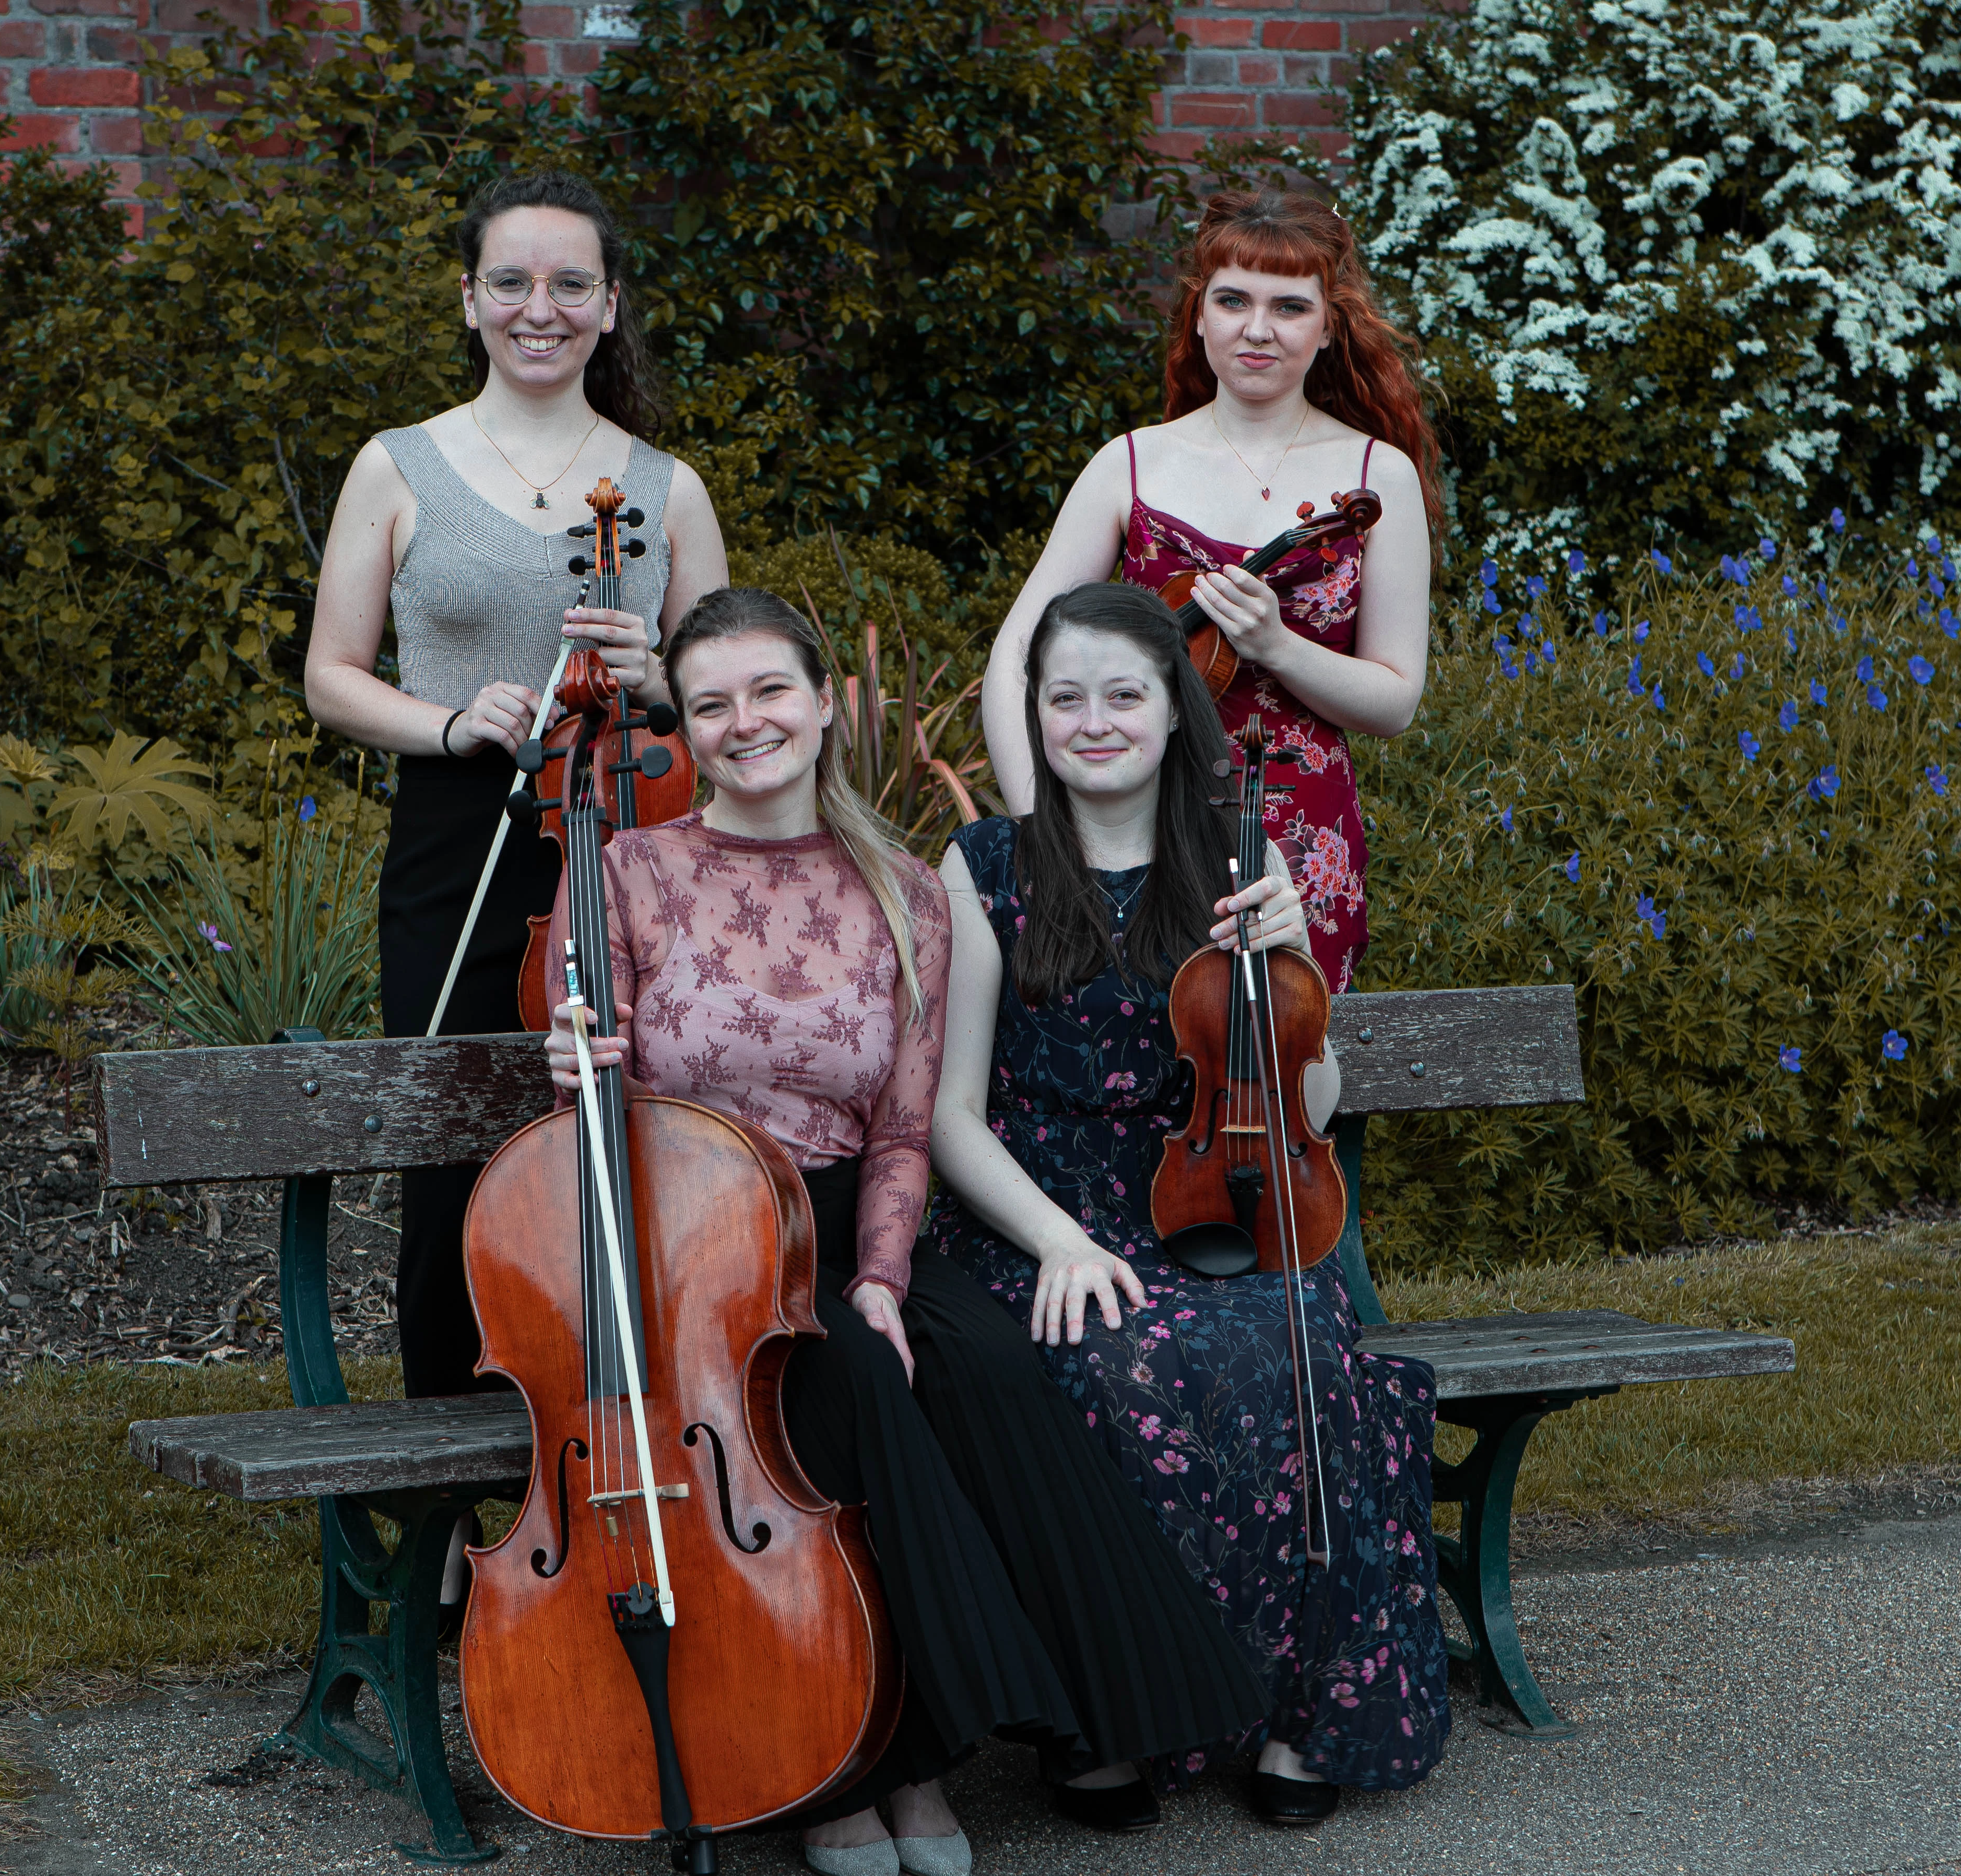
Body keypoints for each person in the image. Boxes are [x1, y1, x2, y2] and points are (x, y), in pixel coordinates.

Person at [545, 587, 1268, 1873]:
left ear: (825, 705)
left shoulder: (901, 886)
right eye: (710, 704)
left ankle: (1077, 1722)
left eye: (770, 692)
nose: (743, 722)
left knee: (983, 1364)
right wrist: (575, 1057)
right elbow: (584, 1087)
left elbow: (901, 1124)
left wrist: (881, 1270)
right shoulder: (623, 874)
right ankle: (871, 1771)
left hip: (846, 1217)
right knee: (857, 1382)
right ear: (688, 730)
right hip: (682, 1229)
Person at [923, 583, 1452, 1825]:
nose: (1093, 720)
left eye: (1124, 694)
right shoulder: (985, 864)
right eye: (1066, 698)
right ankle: (1117, 1723)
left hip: (1221, 1193)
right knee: (1110, 1363)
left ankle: (1290, 1716)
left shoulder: (1240, 857)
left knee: (1299, 1352)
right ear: (1037, 719)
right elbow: (950, 1115)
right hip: (1039, 1216)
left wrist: (1291, 961)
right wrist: (1054, 1239)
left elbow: (1308, 1103)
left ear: (1174, 713)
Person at [303, 169, 730, 1411]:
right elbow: (330, 677)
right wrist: (448, 721)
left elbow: (725, 706)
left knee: (632, 1149)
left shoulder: (664, 487)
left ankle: (615, 1452)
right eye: (511, 282)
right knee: (459, 1167)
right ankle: (451, 1487)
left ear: (609, 306)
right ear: (469, 299)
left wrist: (661, 675)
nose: (537, 308)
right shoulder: (398, 468)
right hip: (462, 835)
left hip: (634, 837)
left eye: (568, 284)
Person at [978, 187, 1438, 998]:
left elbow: (1394, 700)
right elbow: (1019, 650)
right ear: (1198, 316)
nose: (1256, 329)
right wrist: (1041, 824)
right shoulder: (1130, 466)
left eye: (1288, 307)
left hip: (1301, 835)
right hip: (1134, 821)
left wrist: (1277, 648)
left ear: (1327, 327)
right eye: (1232, 300)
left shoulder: (1377, 477)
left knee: (1281, 1074)